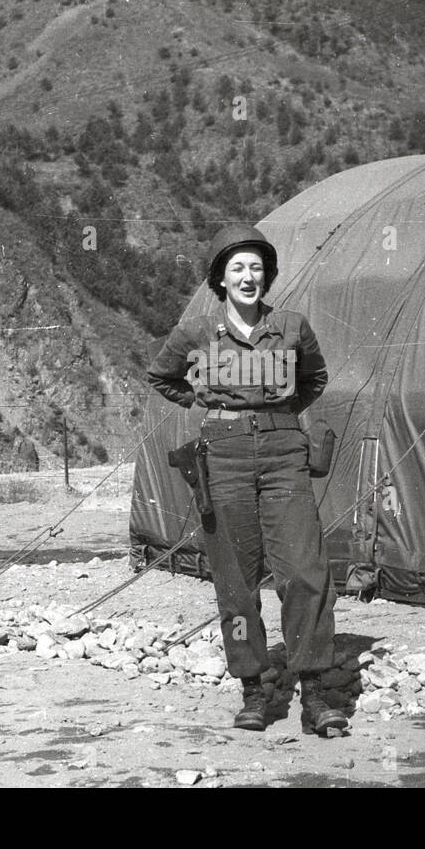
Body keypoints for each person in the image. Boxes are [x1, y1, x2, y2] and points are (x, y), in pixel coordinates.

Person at [146, 223, 348, 736]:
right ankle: (255, 690)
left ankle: (317, 694)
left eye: (256, 266)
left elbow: (315, 378)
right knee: (235, 580)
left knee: (304, 571)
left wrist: (277, 415)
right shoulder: (195, 333)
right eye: (236, 267)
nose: (247, 276)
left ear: (268, 275)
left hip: (284, 456)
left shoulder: (292, 326)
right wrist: (208, 405)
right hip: (225, 457)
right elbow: (161, 377)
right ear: (220, 279)